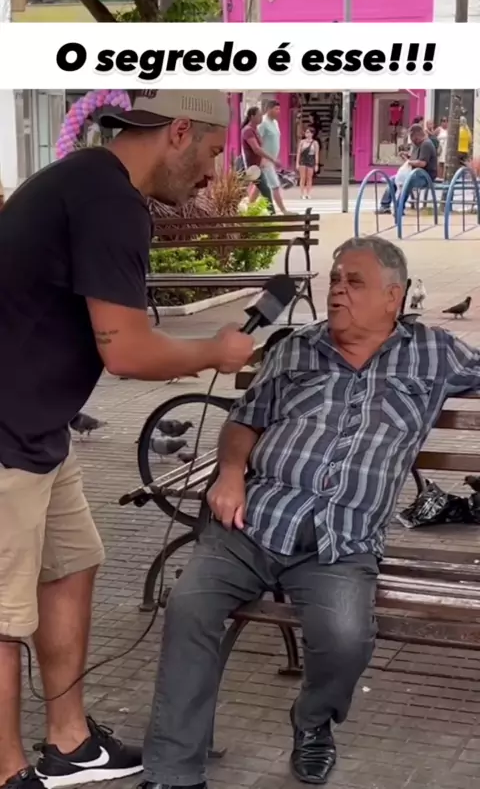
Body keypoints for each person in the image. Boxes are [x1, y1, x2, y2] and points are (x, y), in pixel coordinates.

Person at [140, 235, 480, 789]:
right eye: (335, 280)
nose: (338, 291)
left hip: (340, 541)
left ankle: (313, 722)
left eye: (354, 282)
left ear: (393, 298)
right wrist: (230, 474)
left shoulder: (434, 352)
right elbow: (244, 421)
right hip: (253, 522)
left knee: (346, 638)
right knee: (189, 608)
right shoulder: (297, 347)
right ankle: (175, 772)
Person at [0, 90, 255, 789]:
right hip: (5, 434)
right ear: (179, 131)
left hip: (38, 425)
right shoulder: (107, 200)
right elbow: (128, 352)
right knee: (4, 611)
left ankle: (70, 741)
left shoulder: (89, 183)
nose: (212, 173)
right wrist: (216, 351)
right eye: (211, 152)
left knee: (73, 563)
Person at [377, 124, 437, 214]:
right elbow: (413, 158)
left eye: (412, 137)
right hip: (414, 173)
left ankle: (399, 207)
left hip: (425, 176)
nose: (411, 140)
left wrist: (408, 162)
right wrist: (406, 155)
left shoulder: (426, 144)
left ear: (416, 135)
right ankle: (385, 206)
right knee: (393, 180)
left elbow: (422, 163)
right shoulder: (417, 144)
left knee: (408, 182)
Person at [240, 106, 276, 213]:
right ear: (252, 116)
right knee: (264, 190)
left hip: (256, 167)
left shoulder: (255, 130)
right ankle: (271, 214)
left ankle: (269, 213)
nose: (261, 117)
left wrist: (263, 161)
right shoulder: (248, 131)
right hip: (250, 167)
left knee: (264, 189)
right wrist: (272, 159)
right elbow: (256, 149)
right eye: (259, 115)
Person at [257, 100, 289, 215]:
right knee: (275, 185)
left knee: (258, 186)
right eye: (276, 109)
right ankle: (283, 210)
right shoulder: (263, 123)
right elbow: (258, 141)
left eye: (279, 109)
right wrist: (262, 158)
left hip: (272, 160)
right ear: (269, 109)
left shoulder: (275, 123)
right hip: (265, 160)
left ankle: (249, 208)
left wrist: (275, 158)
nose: (278, 111)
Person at [296, 127, 319, 199]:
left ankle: (308, 194)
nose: (307, 134)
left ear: (312, 134)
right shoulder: (302, 142)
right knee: (302, 178)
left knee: (309, 178)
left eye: (309, 132)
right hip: (303, 160)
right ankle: (302, 193)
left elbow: (316, 154)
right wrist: (297, 163)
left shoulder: (315, 143)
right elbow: (298, 153)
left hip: (311, 160)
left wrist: (316, 164)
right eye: (306, 132)